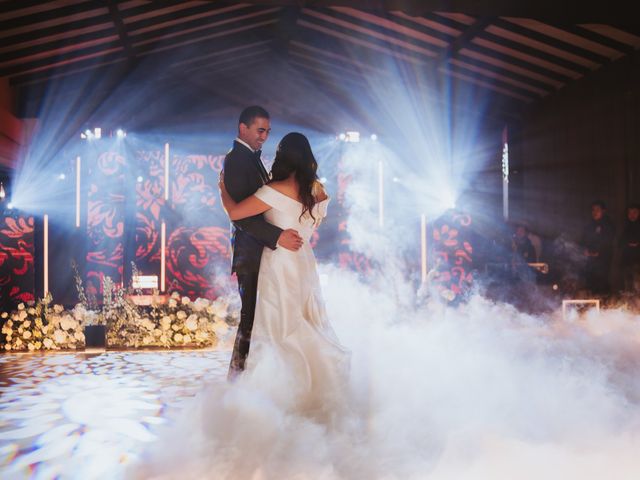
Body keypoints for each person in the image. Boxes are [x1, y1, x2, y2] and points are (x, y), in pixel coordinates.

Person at [219, 132, 349, 418]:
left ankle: (283, 393)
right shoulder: (319, 190)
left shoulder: (275, 190)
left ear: (282, 157)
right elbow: (312, 220)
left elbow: (236, 213)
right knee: (306, 318)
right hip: (303, 261)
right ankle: (317, 382)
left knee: (279, 326)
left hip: (279, 262)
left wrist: (223, 190)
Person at [223, 106, 303, 379]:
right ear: (242, 128)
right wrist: (277, 236)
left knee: (263, 317)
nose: (264, 137)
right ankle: (237, 378)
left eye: (268, 131)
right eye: (260, 130)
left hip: (265, 253)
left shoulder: (251, 158)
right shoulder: (236, 160)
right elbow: (241, 217)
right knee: (251, 318)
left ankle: (259, 376)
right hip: (252, 254)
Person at [580, 200, 615, 295]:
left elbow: (608, 241)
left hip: (603, 259)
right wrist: (585, 250)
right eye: (593, 210)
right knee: (590, 282)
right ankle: (592, 306)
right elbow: (583, 240)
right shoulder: (589, 225)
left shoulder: (608, 224)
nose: (595, 212)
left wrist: (598, 252)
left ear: (603, 211)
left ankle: (603, 304)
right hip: (590, 259)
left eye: (597, 210)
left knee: (601, 283)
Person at [619, 203, 640, 294]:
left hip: (638, 261)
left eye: (635, 212)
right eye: (630, 213)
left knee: (637, 285)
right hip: (627, 261)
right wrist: (627, 244)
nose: (632, 215)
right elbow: (619, 243)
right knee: (628, 286)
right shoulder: (625, 227)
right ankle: (629, 306)